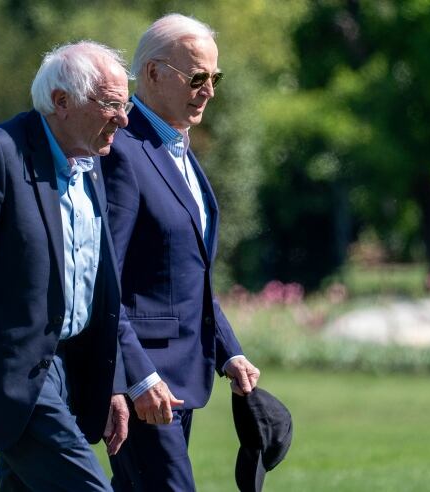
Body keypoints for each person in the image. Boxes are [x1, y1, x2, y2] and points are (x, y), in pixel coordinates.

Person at [0, 41, 134, 491]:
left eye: (124, 104)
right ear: (61, 102)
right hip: (12, 380)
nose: (123, 118)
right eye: (111, 104)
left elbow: (96, 286)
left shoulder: (90, 166)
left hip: (67, 373)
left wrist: (112, 381)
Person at [100, 14, 261, 491]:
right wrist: (136, 376)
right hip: (146, 383)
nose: (209, 90)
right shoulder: (123, 152)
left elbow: (185, 275)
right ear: (152, 73)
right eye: (197, 77)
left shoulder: (177, 149)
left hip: (180, 379)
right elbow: (104, 279)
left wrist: (228, 352)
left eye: (215, 77)